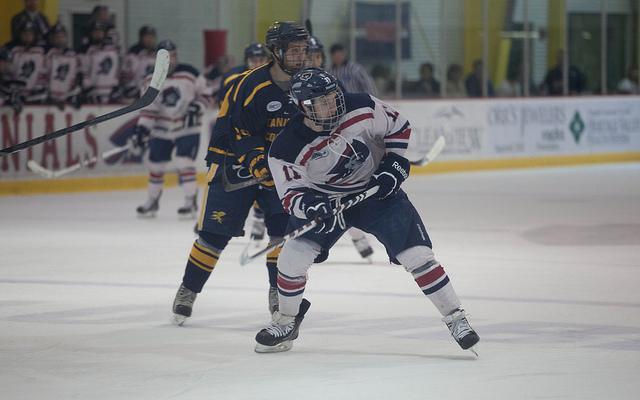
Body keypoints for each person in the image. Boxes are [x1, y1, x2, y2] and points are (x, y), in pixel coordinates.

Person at [253, 68, 480, 354]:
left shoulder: (361, 105)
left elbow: (399, 127)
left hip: (376, 194)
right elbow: (290, 194)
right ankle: (286, 320)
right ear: (303, 107)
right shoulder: (286, 147)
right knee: (290, 260)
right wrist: (313, 206)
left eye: (333, 97)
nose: (332, 105)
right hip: (327, 201)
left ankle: (456, 318)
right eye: (322, 102)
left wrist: (393, 165)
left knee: (418, 256)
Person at [171, 21, 309, 325]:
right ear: (276, 51)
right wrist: (258, 164)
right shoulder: (249, 85)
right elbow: (239, 132)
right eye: (294, 50)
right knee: (213, 236)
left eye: (303, 50)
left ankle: (277, 291)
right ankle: (189, 289)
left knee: (282, 235)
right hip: (233, 165)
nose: (300, 56)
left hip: (280, 172)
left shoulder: (310, 84)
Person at [306, 35, 375, 261]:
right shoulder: (295, 83)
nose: (313, 60)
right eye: (310, 56)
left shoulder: (331, 81)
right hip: (306, 150)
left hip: (333, 147)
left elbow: (348, 109)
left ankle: (357, 237)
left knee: (341, 194)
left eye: (317, 56)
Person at [134, 40, 212, 219]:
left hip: (187, 127)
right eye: (167, 56)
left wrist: (197, 107)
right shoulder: (149, 79)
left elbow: (207, 95)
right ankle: (152, 201)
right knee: (156, 165)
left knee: (184, 162)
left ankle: (189, 201)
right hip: (162, 128)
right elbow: (148, 108)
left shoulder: (190, 73)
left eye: (174, 55)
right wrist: (142, 129)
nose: (172, 59)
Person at [3, 20, 47, 104]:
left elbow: (44, 73)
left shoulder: (42, 51)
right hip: (11, 95)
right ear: (19, 34)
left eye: (30, 34)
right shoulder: (9, 48)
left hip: (34, 96)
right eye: (24, 33)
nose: (27, 36)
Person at [78, 20, 121, 104]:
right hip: (92, 94)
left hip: (110, 94)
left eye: (100, 32)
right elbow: (82, 72)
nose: (98, 34)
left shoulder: (113, 50)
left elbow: (117, 70)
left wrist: (116, 88)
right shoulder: (85, 51)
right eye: (95, 32)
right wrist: (87, 91)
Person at [44, 23, 81, 109]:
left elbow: (77, 76)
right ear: (51, 38)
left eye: (62, 36)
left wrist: (74, 95)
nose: (60, 39)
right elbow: (43, 77)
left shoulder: (73, 55)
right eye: (57, 37)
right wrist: (48, 97)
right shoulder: (46, 54)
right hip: (48, 101)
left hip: (68, 100)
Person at [121, 25, 158, 99]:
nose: (149, 39)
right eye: (147, 37)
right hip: (135, 94)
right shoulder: (133, 53)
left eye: (152, 37)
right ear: (141, 38)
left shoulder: (158, 52)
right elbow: (127, 75)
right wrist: (133, 90)